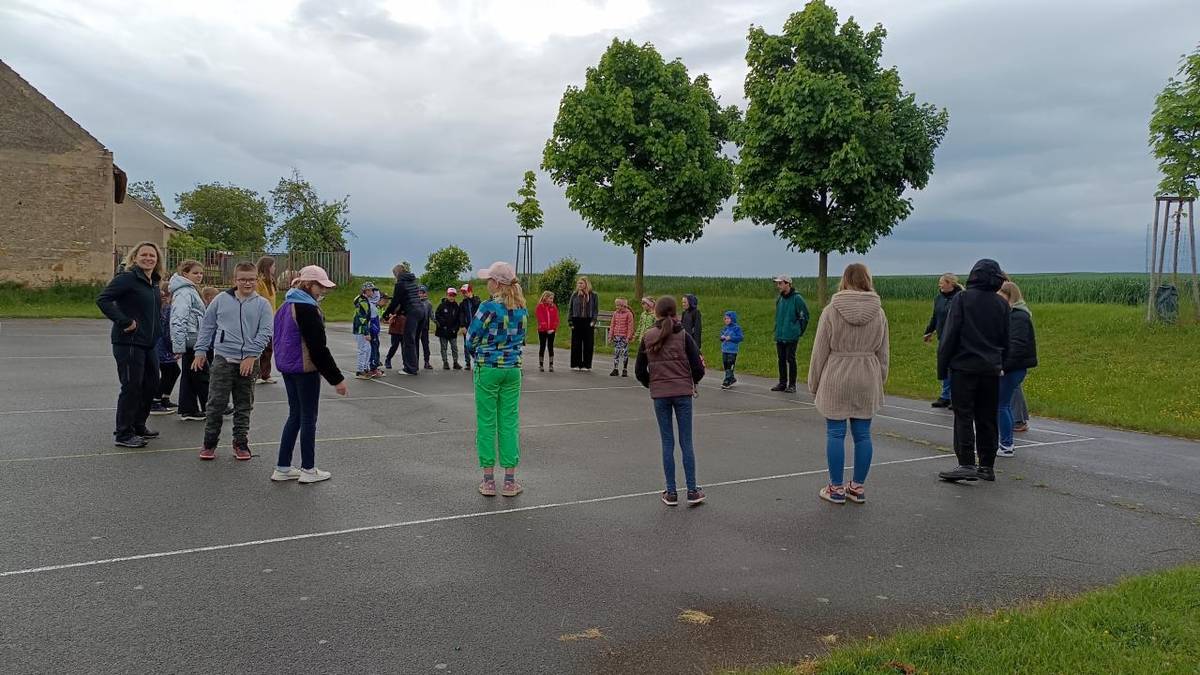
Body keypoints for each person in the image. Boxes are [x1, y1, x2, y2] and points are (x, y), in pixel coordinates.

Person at [808, 263, 890, 505]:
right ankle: (857, 486)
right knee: (863, 434)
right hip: (867, 374)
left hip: (837, 374)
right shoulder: (880, 312)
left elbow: (819, 350)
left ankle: (835, 488)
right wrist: (879, 380)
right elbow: (883, 352)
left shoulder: (831, 310)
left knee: (835, 432)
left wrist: (814, 382)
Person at [271, 265, 348, 484]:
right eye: (319, 286)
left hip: (287, 367)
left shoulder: (286, 305)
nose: (322, 291)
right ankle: (308, 469)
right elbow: (318, 348)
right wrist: (337, 378)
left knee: (294, 415)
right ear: (307, 284)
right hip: (304, 369)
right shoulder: (306, 308)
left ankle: (283, 466)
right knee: (308, 418)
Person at [936, 259, 1010, 483]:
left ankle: (966, 462)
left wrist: (943, 368)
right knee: (987, 417)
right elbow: (1006, 340)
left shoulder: (962, 299)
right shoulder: (1001, 304)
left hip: (964, 367)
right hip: (990, 368)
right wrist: (1001, 364)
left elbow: (950, 335)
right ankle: (987, 465)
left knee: (964, 415)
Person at [193, 262, 274, 461]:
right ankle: (209, 443)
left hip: (249, 361)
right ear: (234, 280)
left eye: (252, 279)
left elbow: (265, 332)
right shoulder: (221, 300)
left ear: (257, 280)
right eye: (243, 279)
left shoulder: (262, 304)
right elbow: (207, 326)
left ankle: (240, 443)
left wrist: (250, 355)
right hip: (223, 359)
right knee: (216, 404)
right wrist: (200, 351)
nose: (248, 283)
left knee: (244, 404)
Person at [465, 262, 528, 498]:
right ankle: (510, 481)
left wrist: (477, 354)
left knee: (487, 422)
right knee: (509, 422)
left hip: (488, 367)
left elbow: (471, 337)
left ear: (498, 283)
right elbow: (523, 338)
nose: (487, 283)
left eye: (489, 279)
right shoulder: (521, 308)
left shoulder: (487, 307)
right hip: (512, 369)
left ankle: (489, 480)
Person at [636, 296, 706, 507]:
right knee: (687, 442)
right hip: (683, 393)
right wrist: (691, 382)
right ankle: (692, 490)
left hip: (661, 395)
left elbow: (639, 371)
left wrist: (653, 384)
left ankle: (671, 492)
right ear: (675, 313)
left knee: (667, 443)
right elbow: (698, 367)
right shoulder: (684, 336)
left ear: (656, 312)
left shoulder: (648, 336)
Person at [96, 241, 164, 448]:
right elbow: (103, 299)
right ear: (134, 258)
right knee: (132, 386)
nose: (148, 258)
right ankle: (124, 433)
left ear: (157, 260)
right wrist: (124, 321)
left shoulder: (153, 282)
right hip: (129, 342)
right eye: (143, 255)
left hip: (148, 343)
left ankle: (138, 424)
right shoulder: (127, 278)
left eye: (152, 256)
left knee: (151, 383)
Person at [996, 281, 1038, 457]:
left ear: (1009, 296)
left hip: (1013, 368)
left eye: (1001, 297)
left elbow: (1017, 345)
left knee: (1002, 405)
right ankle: (1005, 442)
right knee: (1001, 404)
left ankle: (1006, 444)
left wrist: (1003, 367)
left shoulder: (1019, 316)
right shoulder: (1010, 315)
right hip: (1011, 366)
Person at [169, 260, 209, 421]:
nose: (199, 276)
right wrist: (178, 346)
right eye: (195, 273)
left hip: (193, 337)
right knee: (202, 373)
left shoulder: (189, 290)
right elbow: (178, 318)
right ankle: (213, 405)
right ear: (185, 274)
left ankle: (188, 408)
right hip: (192, 338)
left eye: (200, 273)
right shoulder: (185, 292)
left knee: (190, 374)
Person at [923, 273, 963, 408]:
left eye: (942, 282)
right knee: (944, 366)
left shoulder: (960, 298)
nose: (939, 284)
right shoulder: (938, 298)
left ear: (950, 283)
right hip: (943, 338)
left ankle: (956, 397)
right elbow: (935, 317)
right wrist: (928, 331)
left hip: (957, 339)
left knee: (954, 368)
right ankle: (945, 396)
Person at [382, 262, 425, 375]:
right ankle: (414, 366)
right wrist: (399, 312)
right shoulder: (413, 281)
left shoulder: (400, 284)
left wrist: (386, 314)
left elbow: (396, 301)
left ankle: (410, 368)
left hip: (413, 313)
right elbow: (406, 300)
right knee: (415, 340)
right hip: (421, 311)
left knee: (408, 341)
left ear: (397, 274)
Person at [772, 275, 810, 393]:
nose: (778, 286)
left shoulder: (797, 298)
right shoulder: (780, 299)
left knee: (790, 359)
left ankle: (792, 384)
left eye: (780, 283)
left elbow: (804, 316)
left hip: (791, 335)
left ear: (787, 284)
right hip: (780, 334)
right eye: (777, 284)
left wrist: (798, 330)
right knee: (781, 359)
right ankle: (782, 383)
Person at [150, 282, 180, 415]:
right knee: (170, 370)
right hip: (162, 345)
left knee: (173, 371)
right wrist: (173, 346)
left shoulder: (164, 307)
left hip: (161, 344)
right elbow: (168, 330)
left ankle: (164, 397)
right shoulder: (168, 308)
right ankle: (155, 400)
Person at [254, 256, 278, 384]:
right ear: (267, 267)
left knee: (269, 348)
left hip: (270, 319)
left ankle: (265, 374)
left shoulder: (271, 282)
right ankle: (256, 374)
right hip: (260, 319)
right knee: (260, 348)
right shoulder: (259, 282)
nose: (275, 268)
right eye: (273, 266)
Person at [568, 276, 599, 371]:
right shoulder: (575, 294)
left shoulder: (593, 295)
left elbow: (595, 309)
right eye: (578, 283)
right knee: (576, 343)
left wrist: (593, 321)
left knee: (588, 344)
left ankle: (587, 364)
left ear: (586, 284)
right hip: (576, 320)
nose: (580, 285)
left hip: (588, 321)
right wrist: (570, 321)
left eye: (581, 283)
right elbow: (570, 308)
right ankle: (576, 364)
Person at [434, 287, 463, 369]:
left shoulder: (456, 306)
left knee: (454, 348)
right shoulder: (442, 305)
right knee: (444, 347)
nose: (451, 297)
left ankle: (455, 362)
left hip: (452, 331)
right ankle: (445, 362)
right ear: (447, 295)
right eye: (450, 295)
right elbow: (437, 315)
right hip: (443, 331)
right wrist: (443, 324)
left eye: (453, 295)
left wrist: (455, 328)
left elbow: (458, 319)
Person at [353, 281, 376, 379]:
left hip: (362, 328)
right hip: (360, 329)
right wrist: (366, 332)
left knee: (368, 349)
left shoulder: (363, 300)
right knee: (363, 349)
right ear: (365, 291)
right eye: (370, 290)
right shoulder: (362, 302)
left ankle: (365, 368)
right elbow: (363, 318)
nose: (372, 292)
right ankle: (360, 370)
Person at [608, 298, 635, 377]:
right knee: (616, 352)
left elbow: (630, 326)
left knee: (624, 352)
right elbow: (612, 325)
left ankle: (625, 369)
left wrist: (628, 337)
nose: (616, 307)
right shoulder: (615, 313)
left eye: (618, 305)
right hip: (617, 336)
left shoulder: (629, 314)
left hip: (624, 336)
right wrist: (610, 336)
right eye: (616, 305)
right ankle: (615, 369)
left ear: (623, 306)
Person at [458, 284, 483, 371]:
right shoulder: (462, 304)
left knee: (477, 344)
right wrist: (462, 326)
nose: (464, 294)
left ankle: (478, 361)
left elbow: (480, 311)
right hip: (467, 327)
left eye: (465, 292)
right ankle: (467, 363)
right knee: (467, 345)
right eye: (463, 292)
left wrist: (471, 298)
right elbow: (461, 315)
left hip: (477, 327)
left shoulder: (477, 301)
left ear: (470, 291)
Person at [719, 311, 744, 389]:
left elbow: (740, 338)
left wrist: (731, 338)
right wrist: (722, 337)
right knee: (726, 364)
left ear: (732, 319)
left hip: (732, 351)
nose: (726, 320)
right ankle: (732, 378)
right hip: (725, 350)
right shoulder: (725, 328)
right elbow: (721, 336)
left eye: (728, 318)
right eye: (725, 318)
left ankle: (727, 380)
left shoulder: (737, 328)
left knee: (730, 364)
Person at [535, 291, 558, 372]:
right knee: (542, 346)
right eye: (550, 298)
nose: (552, 300)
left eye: (552, 299)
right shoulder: (540, 307)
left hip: (551, 331)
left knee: (550, 346)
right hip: (542, 330)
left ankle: (551, 365)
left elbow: (556, 319)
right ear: (545, 297)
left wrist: (553, 328)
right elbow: (540, 318)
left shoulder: (554, 307)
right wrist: (546, 329)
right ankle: (541, 365)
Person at [369, 288, 385, 375]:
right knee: (373, 349)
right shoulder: (372, 307)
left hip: (375, 332)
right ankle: (373, 368)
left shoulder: (374, 306)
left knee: (375, 348)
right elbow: (371, 321)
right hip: (373, 333)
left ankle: (374, 365)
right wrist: (374, 331)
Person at [418, 285, 434, 369]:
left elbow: (431, 315)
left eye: (423, 292)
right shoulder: (415, 302)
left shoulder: (428, 303)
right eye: (419, 292)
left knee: (426, 345)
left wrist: (437, 322)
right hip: (416, 328)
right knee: (415, 346)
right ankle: (414, 362)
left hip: (424, 328)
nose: (421, 294)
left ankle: (426, 362)